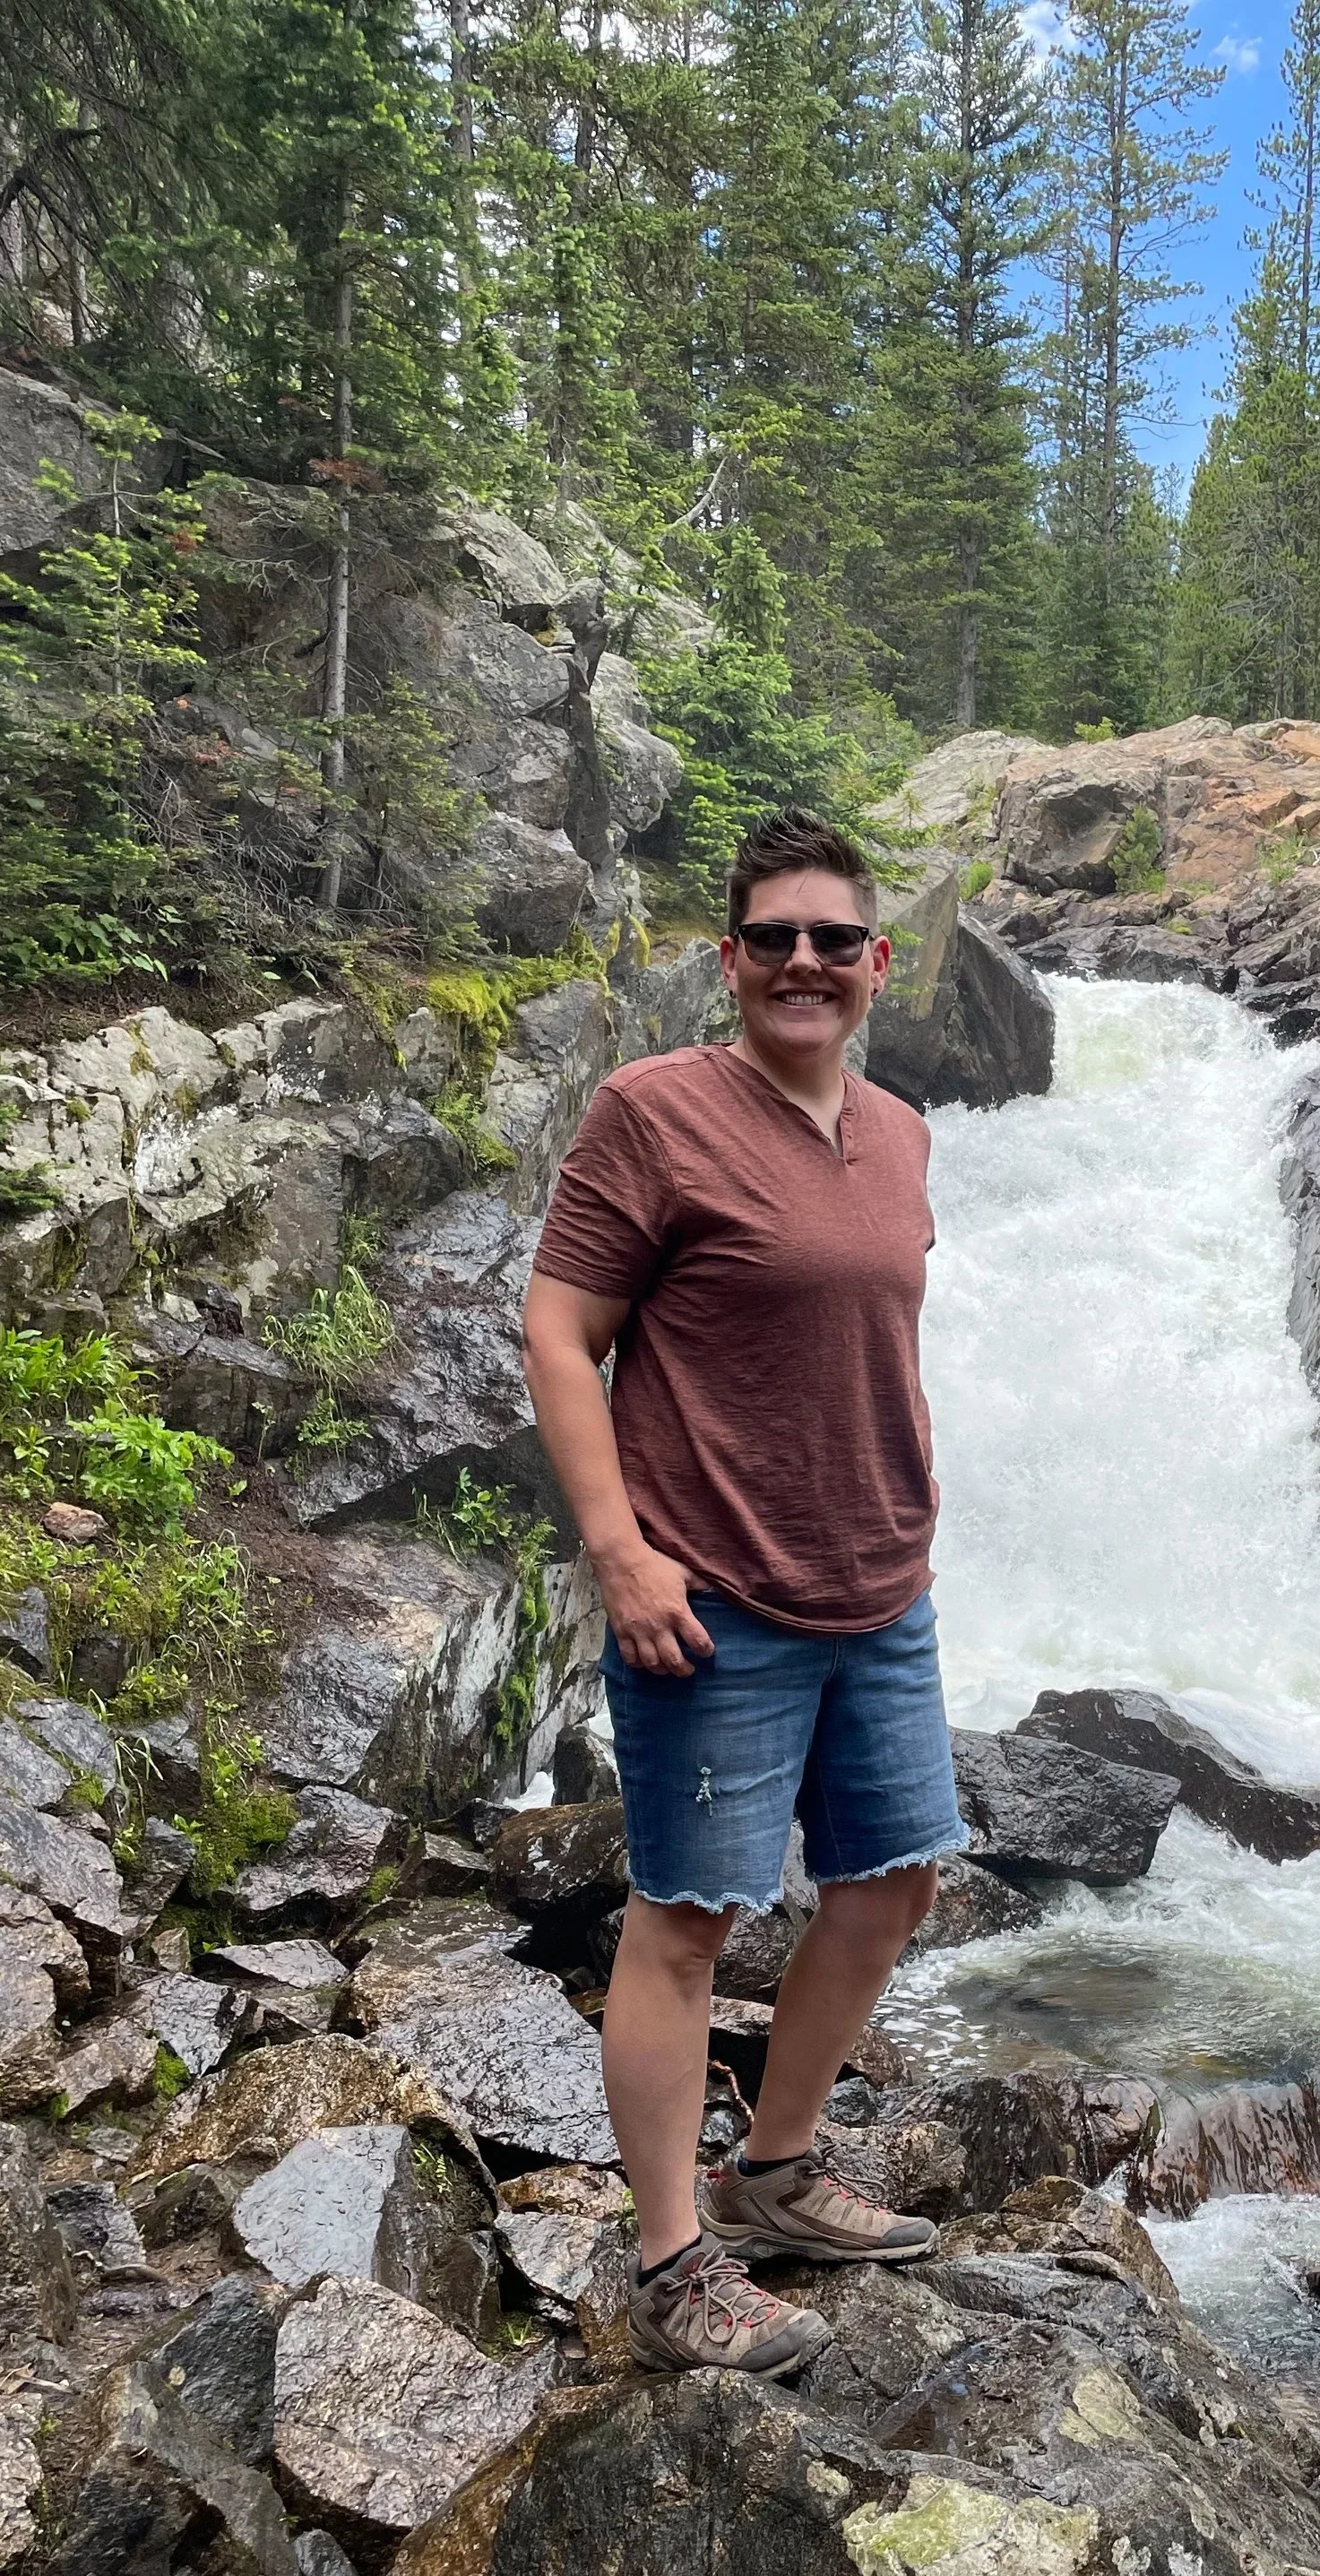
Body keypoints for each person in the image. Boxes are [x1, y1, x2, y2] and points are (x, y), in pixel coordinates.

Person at [521, 810, 965, 2379]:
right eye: (771, 938)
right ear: (729, 961)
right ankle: (671, 2258)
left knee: (893, 1884)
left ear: (875, 964)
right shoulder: (654, 1114)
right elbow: (560, 1333)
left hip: (880, 1583)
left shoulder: (902, 1132)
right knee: (691, 1920)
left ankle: (776, 2172)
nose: (801, 962)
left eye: (832, 940)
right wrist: (620, 1553)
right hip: (710, 1593)